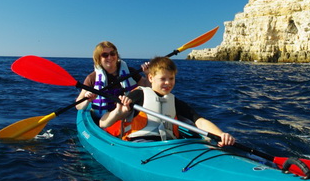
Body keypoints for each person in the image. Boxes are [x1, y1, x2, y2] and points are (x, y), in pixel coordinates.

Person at [99, 56, 235, 147]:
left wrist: (221, 134)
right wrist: (118, 113)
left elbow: (199, 121)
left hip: (169, 145)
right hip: (141, 145)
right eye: (163, 79)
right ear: (150, 78)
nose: (168, 83)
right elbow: (103, 122)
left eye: (171, 78)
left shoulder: (174, 101)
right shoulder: (139, 95)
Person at [76, 41, 149, 117]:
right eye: (105, 55)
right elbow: (78, 106)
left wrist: (147, 74)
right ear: (98, 58)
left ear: (117, 55)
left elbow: (147, 86)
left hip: (130, 115)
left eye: (112, 53)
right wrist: (88, 100)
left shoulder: (130, 72)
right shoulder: (92, 78)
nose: (110, 57)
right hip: (106, 119)